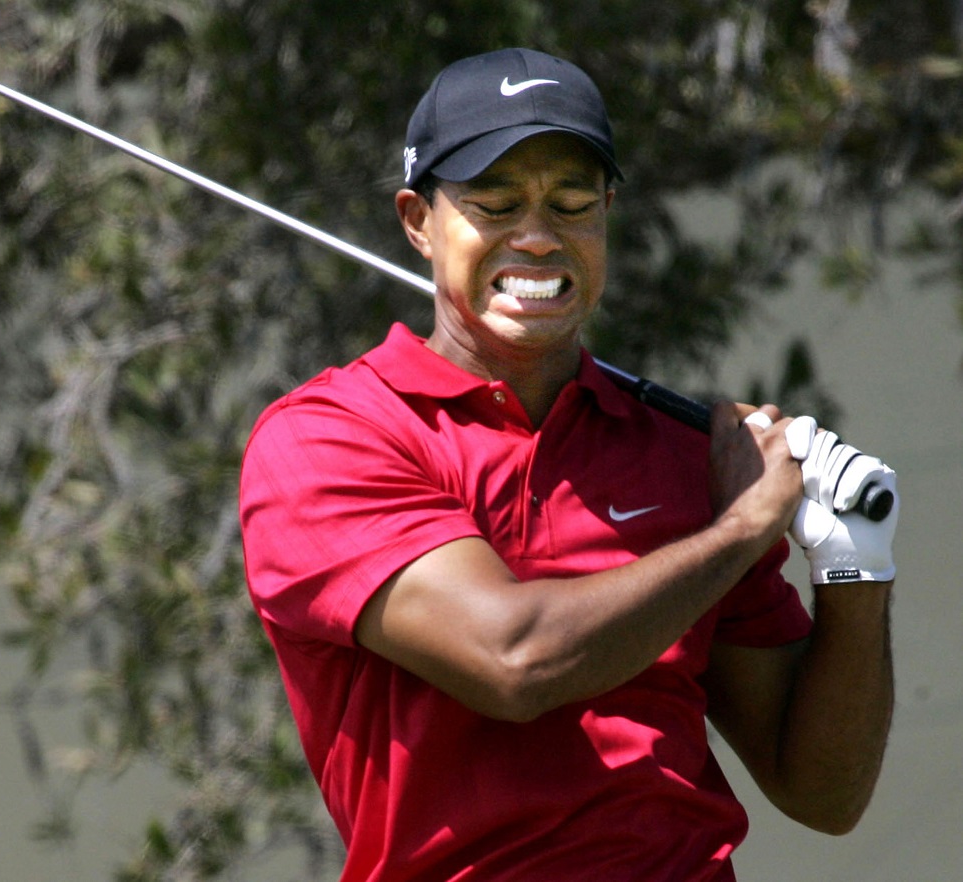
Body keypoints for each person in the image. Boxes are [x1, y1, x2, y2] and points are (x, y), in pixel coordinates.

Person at [239, 47, 897, 881]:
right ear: (417, 221)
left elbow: (823, 795)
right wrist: (739, 531)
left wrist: (855, 569)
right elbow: (514, 662)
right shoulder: (329, 437)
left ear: (608, 214)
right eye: (496, 203)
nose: (539, 238)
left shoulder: (685, 457)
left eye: (573, 202)